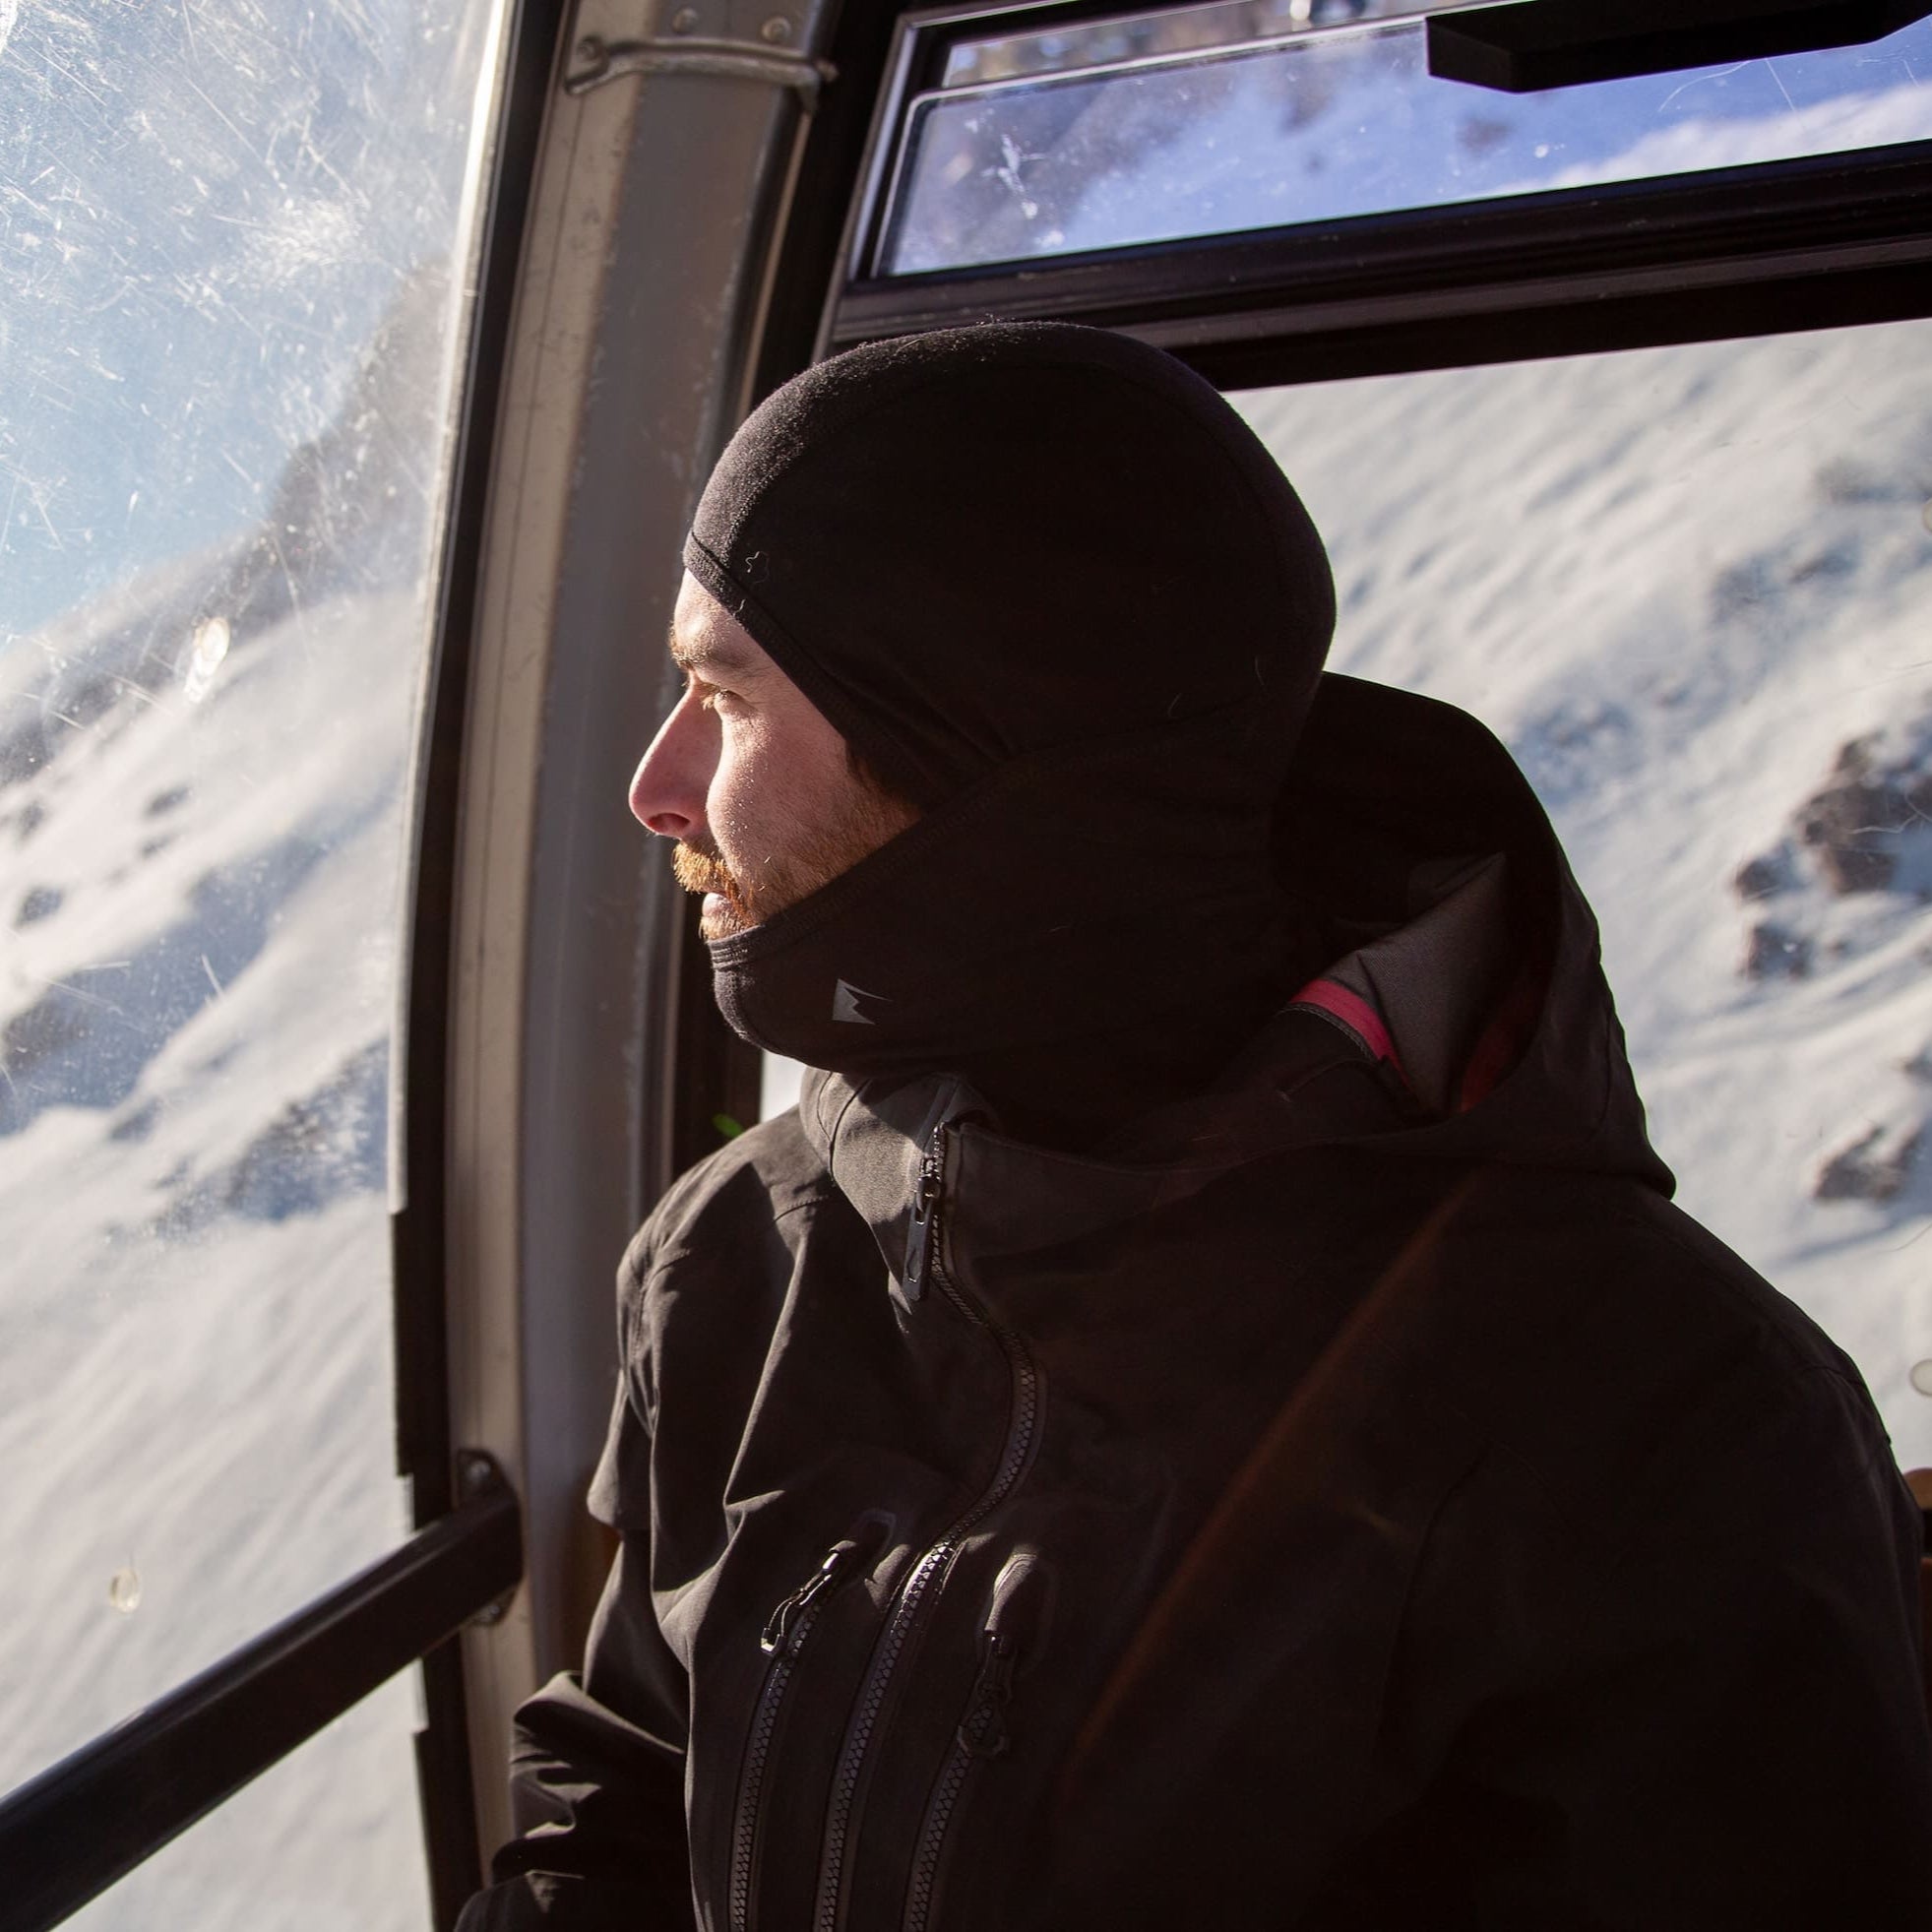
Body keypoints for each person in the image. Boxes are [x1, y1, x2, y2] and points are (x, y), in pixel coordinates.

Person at [457, 324, 1932, 1930]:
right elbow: (620, 1779)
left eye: (723, 697)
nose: (654, 788)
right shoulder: (736, 1254)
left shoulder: (1658, 1418)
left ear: (983, 751)